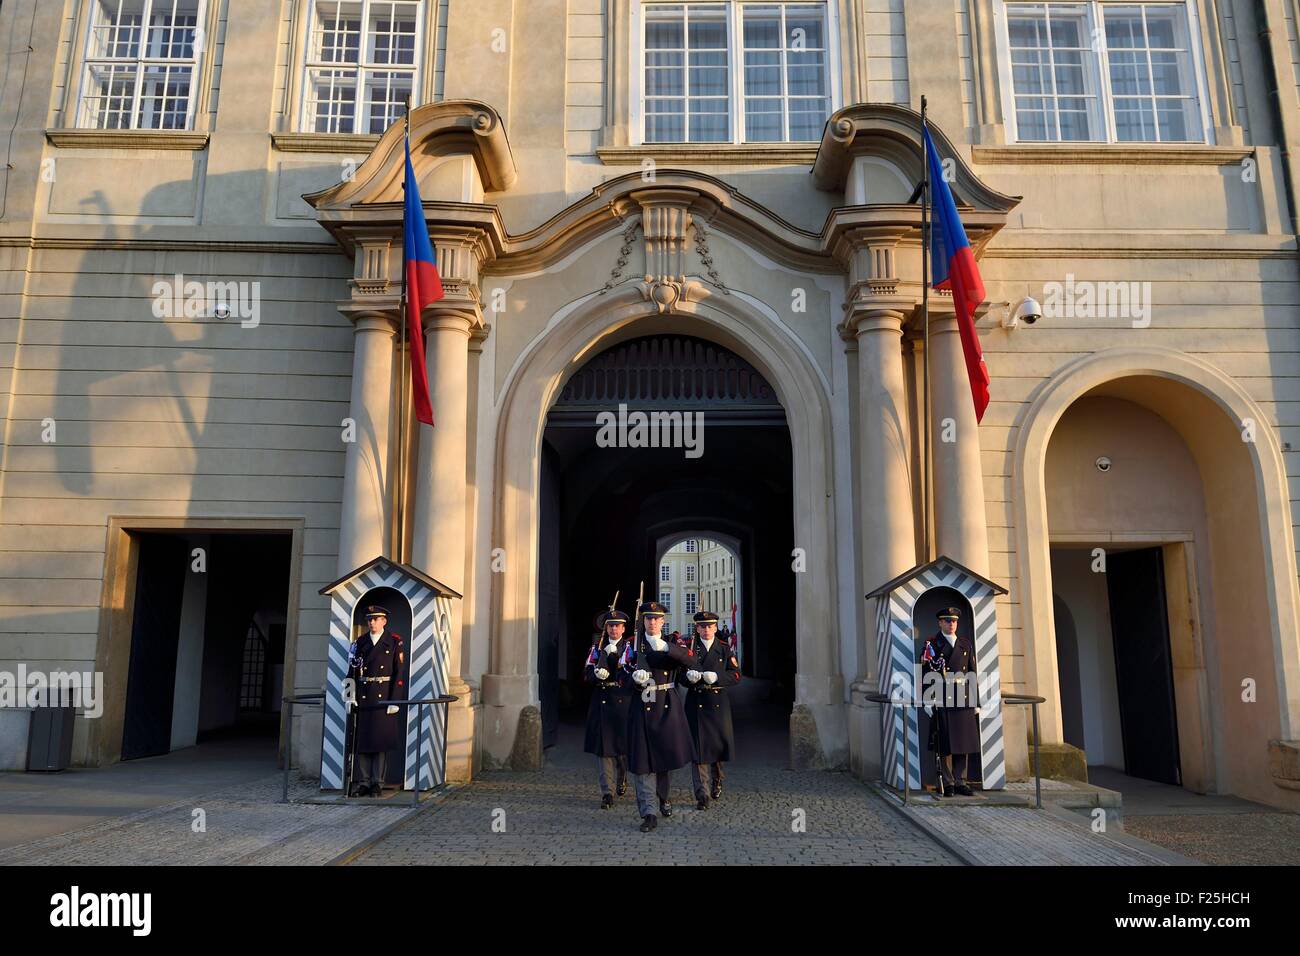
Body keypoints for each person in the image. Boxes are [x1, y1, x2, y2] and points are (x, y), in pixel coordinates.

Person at [624, 600, 696, 832]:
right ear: (643, 621)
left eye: (656, 619)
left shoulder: (673, 643)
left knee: (664, 759)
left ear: (663, 622)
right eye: (648, 618)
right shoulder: (632, 645)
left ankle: (663, 797)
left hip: (666, 704)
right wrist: (633, 680)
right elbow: (621, 675)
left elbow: (690, 659)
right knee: (643, 763)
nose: (652, 622)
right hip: (643, 704)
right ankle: (648, 812)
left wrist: (667, 648)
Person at [682, 610, 740, 810]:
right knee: (698, 750)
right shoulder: (690, 648)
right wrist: (688, 679)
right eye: (702, 626)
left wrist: (717, 677)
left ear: (715, 627)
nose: (706, 630)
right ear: (697, 629)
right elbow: (679, 675)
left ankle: (717, 779)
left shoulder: (724, 649)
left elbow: (736, 675)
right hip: (696, 702)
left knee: (716, 748)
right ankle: (702, 794)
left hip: (717, 703)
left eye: (710, 626)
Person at [347, 605, 405, 797]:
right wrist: (350, 695)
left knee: (380, 743)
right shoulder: (360, 642)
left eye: (376, 619)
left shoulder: (394, 642)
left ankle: (377, 783)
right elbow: (352, 671)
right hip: (364, 695)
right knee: (362, 742)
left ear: (384, 621)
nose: (372, 622)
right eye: (369, 619)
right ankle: (363, 782)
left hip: (383, 697)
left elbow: (399, 673)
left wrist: (394, 700)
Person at [922, 606, 980, 797]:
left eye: (954, 621)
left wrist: (976, 701)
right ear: (940, 623)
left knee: (962, 743)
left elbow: (972, 672)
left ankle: (960, 780)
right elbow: (927, 674)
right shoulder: (932, 644)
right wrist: (928, 701)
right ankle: (947, 782)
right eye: (947, 620)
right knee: (945, 743)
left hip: (963, 698)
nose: (951, 624)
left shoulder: (965, 644)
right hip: (942, 698)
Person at [583, 608, 632, 808]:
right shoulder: (597, 648)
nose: (613, 629)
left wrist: (614, 660)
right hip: (602, 700)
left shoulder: (629, 649)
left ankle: (621, 777)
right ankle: (607, 792)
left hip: (621, 701)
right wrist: (597, 675)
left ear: (623, 628)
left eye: (617, 626)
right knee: (604, 750)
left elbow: (631, 673)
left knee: (620, 748)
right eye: (610, 626)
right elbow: (586, 674)